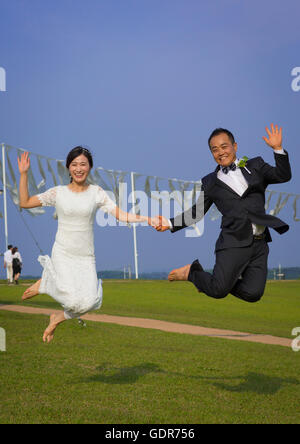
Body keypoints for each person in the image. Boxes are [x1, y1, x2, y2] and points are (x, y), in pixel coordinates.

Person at [18, 147, 156, 343]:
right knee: (72, 301)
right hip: (63, 252)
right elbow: (25, 202)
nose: (79, 168)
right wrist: (24, 174)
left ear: (90, 167)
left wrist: (147, 219)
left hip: (85, 256)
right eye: (74, 164)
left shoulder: (96, 193)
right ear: (68, 168)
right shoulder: (59, 193)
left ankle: (56, 318)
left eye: (83, 164)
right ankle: (48, 281)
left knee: (89, 302)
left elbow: (121, 215)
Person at [154, 124, 292, 303]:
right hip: (232, 242)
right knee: (218, 290)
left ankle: (212, 281)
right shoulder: (210, 182)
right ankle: (192, 273)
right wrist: (170, 223)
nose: (220, 152)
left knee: (253, 294)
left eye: (224, 146)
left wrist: (277, 149)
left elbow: (283, 176)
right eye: (214, 150)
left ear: (235, 147)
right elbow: (197, 213)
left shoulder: (256, 165)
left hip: (259, 243)